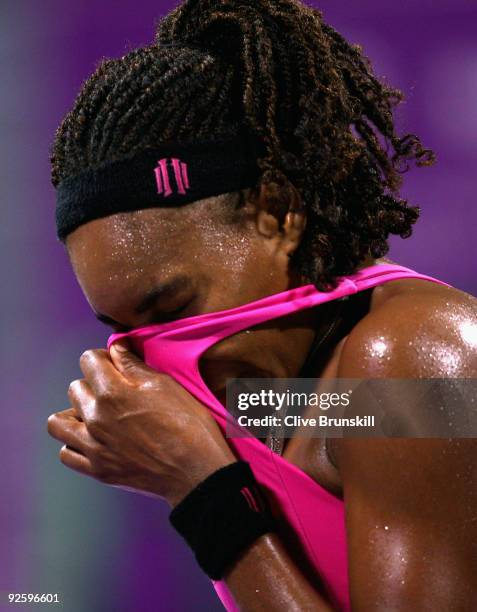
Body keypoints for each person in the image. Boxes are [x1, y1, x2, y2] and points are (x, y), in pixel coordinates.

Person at [47, 0, 477, 610]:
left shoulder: (415, 357)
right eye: (124, 332)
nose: (154, 364)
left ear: (278, 213)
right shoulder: (291, 406)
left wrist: (201, 489)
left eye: (173, 308)